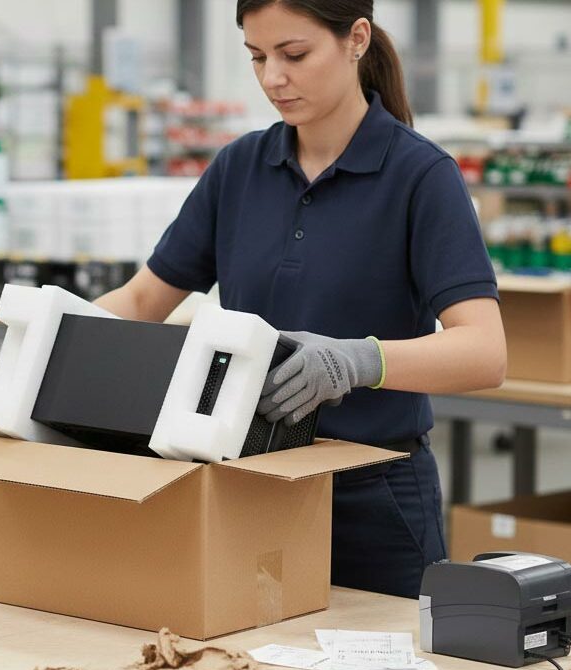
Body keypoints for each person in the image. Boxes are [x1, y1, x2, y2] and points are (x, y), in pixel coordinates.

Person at [94, 0, 507, 598]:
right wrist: (45, 348)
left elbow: (485, 352)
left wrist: (356, 361)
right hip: (246, 485)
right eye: (257, 57)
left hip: (373, 497)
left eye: (294, 55)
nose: (272, 79)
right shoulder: (239, 168)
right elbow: (140, 302)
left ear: (356, 39)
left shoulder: (420, 176)